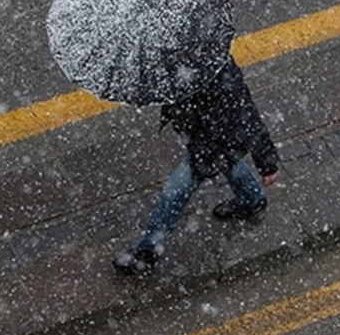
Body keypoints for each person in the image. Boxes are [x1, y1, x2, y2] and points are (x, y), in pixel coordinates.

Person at [114, 54, 279, 274]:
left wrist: (267, 162)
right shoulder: (173, 62)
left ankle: (146, 251)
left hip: (212, 142)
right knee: (228, 163)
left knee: (174, 192)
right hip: (206, 139)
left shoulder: (218, 70)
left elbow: (246, 113)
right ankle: (253, 200)